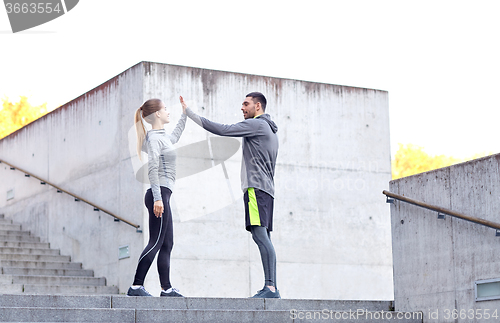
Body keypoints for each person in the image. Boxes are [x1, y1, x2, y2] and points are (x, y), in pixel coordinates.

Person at [181, 92, 280, 298]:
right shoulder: (270, 130)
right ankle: (271, 286)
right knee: (263, 237)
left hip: (256, 188)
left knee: (260, 236)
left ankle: (270, 288)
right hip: (266, 190)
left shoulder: (257, 125)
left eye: (246, 104)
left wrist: (189, 113)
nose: (242, 108)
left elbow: (223, 130)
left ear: (258, 106)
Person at [127, 98, 187, 297]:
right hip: (158, 194)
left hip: (163, 194)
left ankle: (166, 288)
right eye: (166, 109)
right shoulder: (153, 139)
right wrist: (158, 198)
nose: (168, 112)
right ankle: (136, 286)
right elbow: (152, 169)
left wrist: (185, 114)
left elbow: (175, 136)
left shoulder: (162, 136)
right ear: (158, 114)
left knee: (167, 243)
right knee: (155, 241)